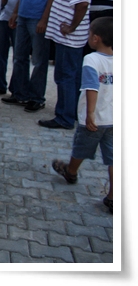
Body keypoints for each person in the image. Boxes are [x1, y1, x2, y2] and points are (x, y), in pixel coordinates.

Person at [51, 17, 113, 213]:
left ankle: (71, 171)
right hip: (115, 119)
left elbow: (90, 86)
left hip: (95, 120)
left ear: (95, 38)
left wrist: (90, 113)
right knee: (113, 158)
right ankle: (113, 196)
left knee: (81, 147)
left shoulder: (91, 59)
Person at [38, 0, 91, 130]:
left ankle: (64, 117)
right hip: (71, 40)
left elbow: (82, 3)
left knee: (65, 77)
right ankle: (72, 112)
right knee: (71, 76)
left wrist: (71, 27)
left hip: (69, 40)